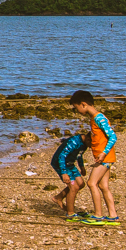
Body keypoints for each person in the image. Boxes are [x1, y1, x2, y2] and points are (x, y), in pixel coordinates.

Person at [69, 89, 119, 225]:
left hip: (105, 158)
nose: (77, 110)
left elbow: (113, 136)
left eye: (76, 107)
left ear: (83, 104)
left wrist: (103, 153)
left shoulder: (99, 118)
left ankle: (98, 215)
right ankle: (113, 216)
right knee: (103, 186)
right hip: (104, 157)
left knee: (92, 183)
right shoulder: (94, 118)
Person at [48, 134, 89, 220]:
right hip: (60, 164)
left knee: (81, 184)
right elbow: (61, 156)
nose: (92, 147)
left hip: (70, 164)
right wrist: (64, 173)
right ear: (89, 138)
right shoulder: (74, 142)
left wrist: (82, 167)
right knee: (73, 187)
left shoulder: (85, 144)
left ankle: (58, 198)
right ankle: (70, 213)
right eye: (93, 144)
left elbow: (79, 155)